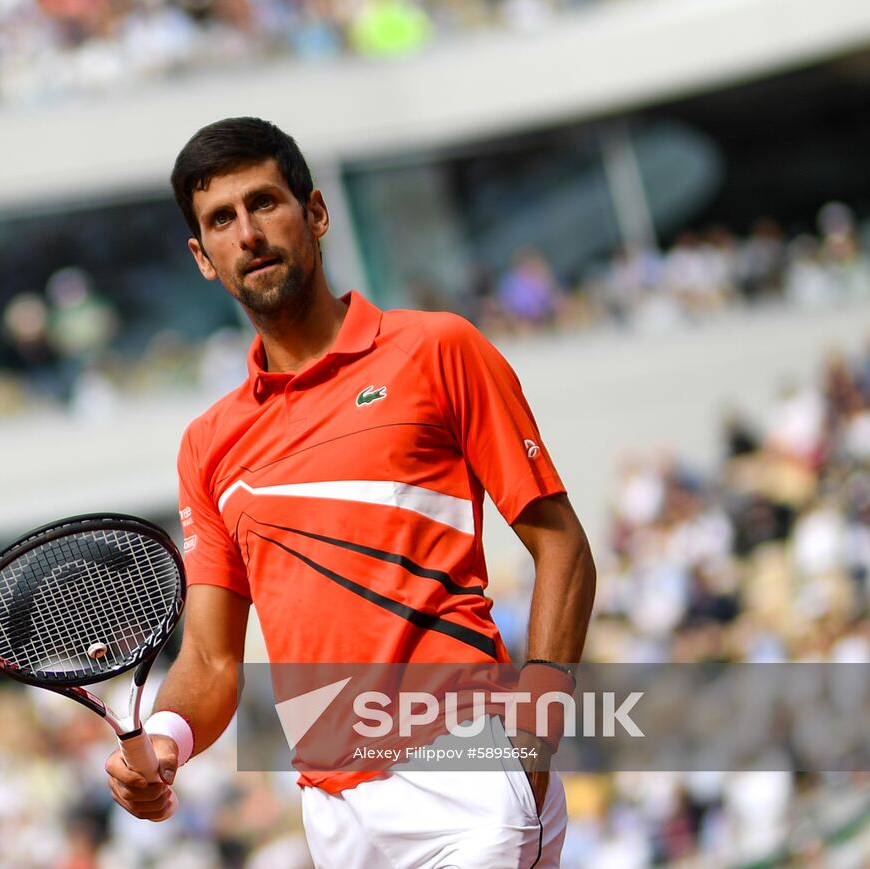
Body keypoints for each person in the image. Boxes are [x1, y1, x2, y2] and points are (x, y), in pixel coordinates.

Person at [104, 117, 597, 868]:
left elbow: (562, 545)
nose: (249, 232)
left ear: (317, 213)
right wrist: (166, 740)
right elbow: (209, 656)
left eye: (265, 202)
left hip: (463, 770)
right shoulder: (207, 445)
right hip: (333, 814)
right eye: (221, 220)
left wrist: (534, 732)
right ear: (203, 258)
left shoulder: (437, 349)